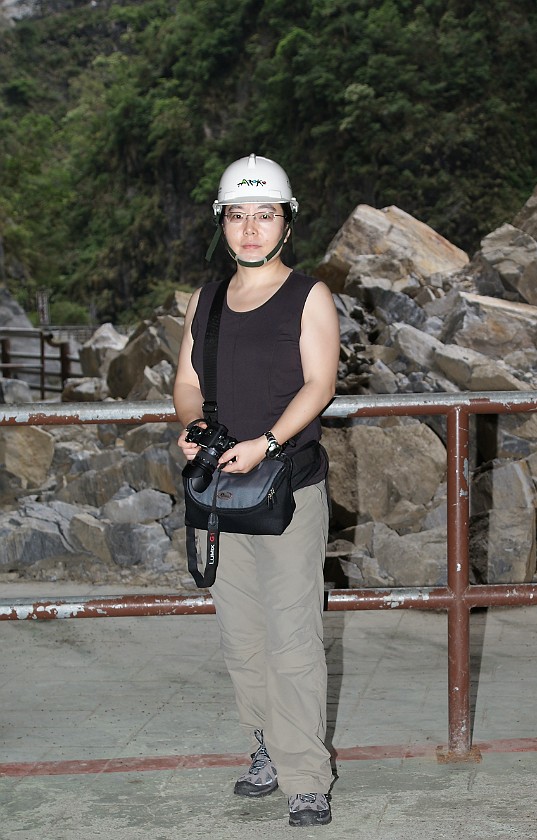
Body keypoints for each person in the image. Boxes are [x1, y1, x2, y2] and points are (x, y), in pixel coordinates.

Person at [173, 153, 340, 828]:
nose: (249, 230)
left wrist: (268, 443)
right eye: (237, 216)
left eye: (263, 215)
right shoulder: (205, 299)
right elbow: (187, 380)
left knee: (292, 636)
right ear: (222, 222)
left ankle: (306, 776)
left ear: (286, 224)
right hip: (218, 491)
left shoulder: (310, 296)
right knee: (240, 633)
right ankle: (265, 748)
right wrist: (190, 425)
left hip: (286, 489)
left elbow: (319, 384)